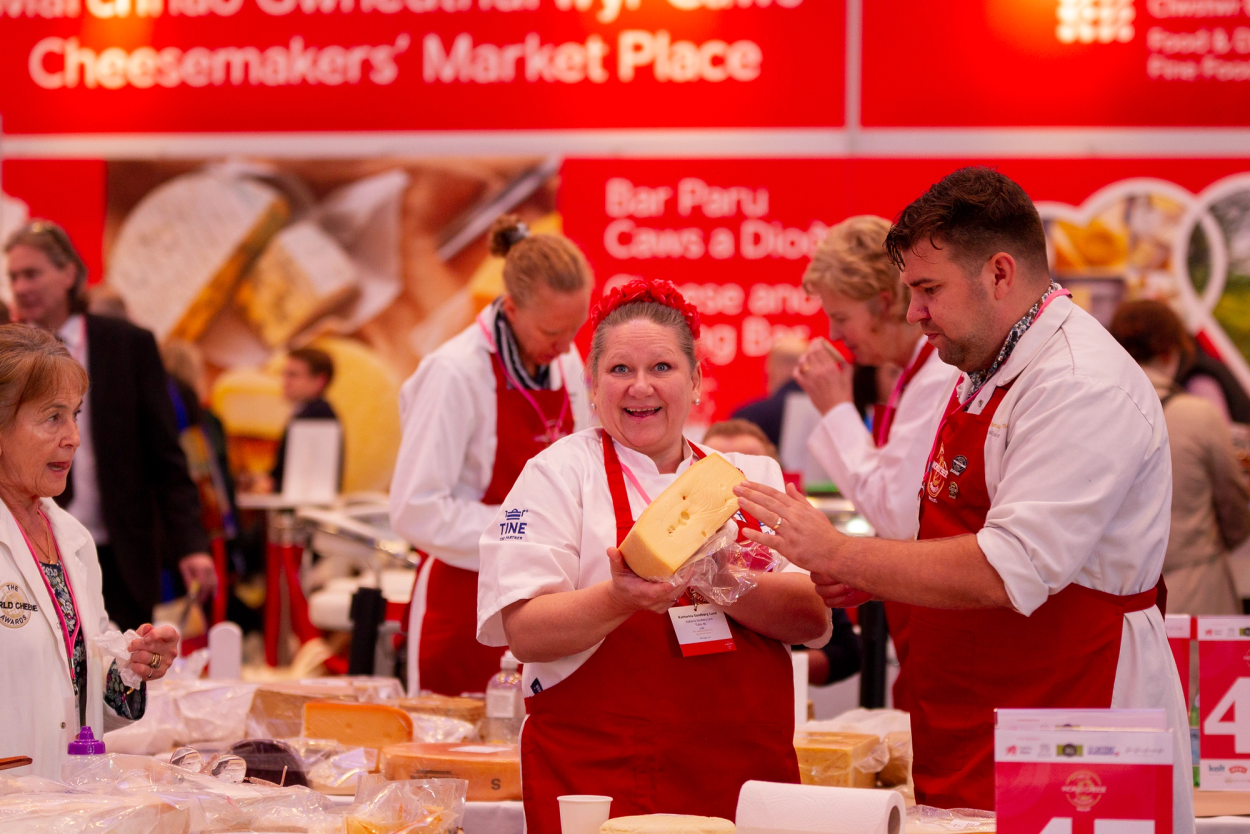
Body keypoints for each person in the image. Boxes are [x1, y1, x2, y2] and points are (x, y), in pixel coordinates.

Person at [733, 168, 1191, 826]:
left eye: (927, 290)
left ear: (1000, 274)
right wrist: (876, 580)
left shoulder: (1078, 385)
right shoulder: (988, 362)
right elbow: (948, 521)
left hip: (1074, 712)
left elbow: (1011, 565)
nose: (913, 313)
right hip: (990, 703)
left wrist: (845, 554)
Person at [477, 278, 830, 830]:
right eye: (619, 370)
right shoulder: (558, 476)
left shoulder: (752, 478)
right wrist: (618, 598)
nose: (640, 386)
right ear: (593, 386)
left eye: (662, 367)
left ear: (695, 382)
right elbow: (525, 631)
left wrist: (720, 577)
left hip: (744, 777)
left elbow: (812, 617)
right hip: (602, 777)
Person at [390, 215, 594, 697]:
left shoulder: (563, 361)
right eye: (551, 331)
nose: (566, 347)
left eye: (575, 329)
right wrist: (523, 534)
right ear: (511, 308)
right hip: (463, 603)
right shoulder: (454, 373)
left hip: (547, 603)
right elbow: (414, 509)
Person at [4, 221, 215, 631]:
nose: (21, 286)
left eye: (32, 273)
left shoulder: (126, 344)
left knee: (125, 670)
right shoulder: (5, 352)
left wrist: (192, 545)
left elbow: (165, 455)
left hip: (120, 549)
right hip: (24, 543)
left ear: (68, 273)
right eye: (13, 276)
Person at [0, 324, 177, 779]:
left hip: (63, 806)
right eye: (53, 417)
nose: (74, 437)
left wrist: (135, 666)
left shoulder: (71, 539)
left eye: (75, 415)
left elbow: (82, 699)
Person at [793, 215, 955, 710]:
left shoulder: (937, 377)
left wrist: (836, 408)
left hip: (946, 613)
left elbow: (896, 513)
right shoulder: (914, 374)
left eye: (840, 317)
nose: (835, 334)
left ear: (884, 303)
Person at [1111, 300, 1250, 615]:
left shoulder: (1091, 412)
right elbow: (1236, 515)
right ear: (1170, 352)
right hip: (1196, 595)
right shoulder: (1200, 415)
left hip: (1117, 598)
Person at [702, 419, 862, 687]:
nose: (734, 484)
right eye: (718, 467)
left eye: (747, 467)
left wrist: (779, 666)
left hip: (772, 701)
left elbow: (847, 650)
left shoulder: (798, 540)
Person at [267, 348, 340, 496]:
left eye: (293, 375)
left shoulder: (318, 416)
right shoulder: (306, 413)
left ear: (319, 381)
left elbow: (306, 483)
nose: (284, 381)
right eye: (284, 373)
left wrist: (271, 486)